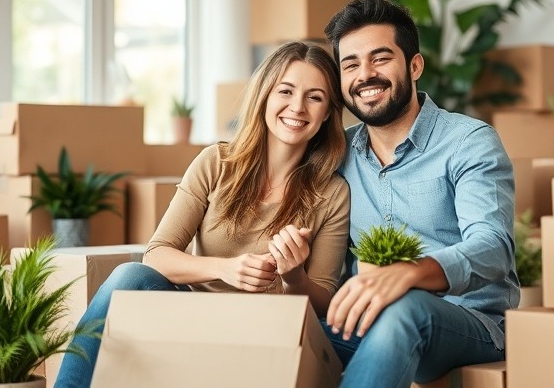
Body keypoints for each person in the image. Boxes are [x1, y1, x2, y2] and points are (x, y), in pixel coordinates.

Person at [53, 41, 351, 388]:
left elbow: (323, 304)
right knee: (128, 276)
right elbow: (156, 255)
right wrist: (227, 268)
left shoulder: (331, 193)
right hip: (195, 321)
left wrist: (294, 275)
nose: (297, 107)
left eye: (315, 97)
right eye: (286, 91)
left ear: (329, 112)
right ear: (265, 95)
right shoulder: (216, 163)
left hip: (269, 335)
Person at [322, 0, 518, 388]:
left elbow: (494, 246)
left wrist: (411, 275)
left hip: (470, 325)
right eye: (351, 64)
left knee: (405, 309)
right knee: (283, 325)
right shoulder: (338, 154)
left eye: (380, 58)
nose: (365, 75)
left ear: (414, 66)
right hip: (369, 319)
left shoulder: (468, 141)